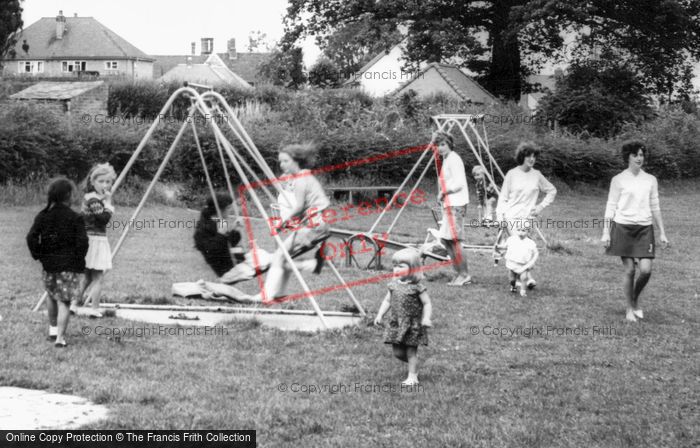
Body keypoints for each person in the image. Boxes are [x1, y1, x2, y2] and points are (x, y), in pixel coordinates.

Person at [249, 143, 331, 302]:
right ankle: (279, 294)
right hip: (317, 225)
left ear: (296, 160)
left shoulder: (301, 179)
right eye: (280, 161)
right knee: (284, 258)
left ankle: (267, 295)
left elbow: (299, 207)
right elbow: (305, 208)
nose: (282, 165)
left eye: (285, 161)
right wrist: (287, 223)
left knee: (279, 256)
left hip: (312, 227)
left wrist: (281, 224)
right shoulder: (307, 177)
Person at [601, 140, 669, 322]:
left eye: (641, 155)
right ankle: (630, 308)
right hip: (622, 227)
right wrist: (606, 232)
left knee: (645, 270)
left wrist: (662, 231)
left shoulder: (650, 180)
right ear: (628, 157)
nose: (640, 158)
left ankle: (634, 298)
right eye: (635, 155)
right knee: (630, 270)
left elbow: (655, 207)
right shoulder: (618, 180)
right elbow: (610, 207)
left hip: (644, 229)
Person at [27, 177, 89, 347]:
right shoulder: (75, 217)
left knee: (52, 295)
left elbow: (31, 237)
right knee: (65, 301)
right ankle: (60, 338)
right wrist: (78, 260)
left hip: (49, 265)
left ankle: (53, 330)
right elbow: (83, 242)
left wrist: (38, 254)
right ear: (68, 195)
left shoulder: (43, 215)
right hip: (68, 266)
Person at [374, 248, 432, 386]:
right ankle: (415, 365)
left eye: (401, 266)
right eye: (395, 266)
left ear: (412, 269)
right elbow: (387, 301)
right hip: (396, 323)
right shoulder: (393, 285)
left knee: (411, 352)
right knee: (398, 353)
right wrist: (380, 314)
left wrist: (426, 318)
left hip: (412, 324)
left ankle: (412, 377)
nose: (396, 269)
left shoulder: (417, 287)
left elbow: (427, 303)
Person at [495, 142, 556, 264]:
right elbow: (503, 197)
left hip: (528, 217)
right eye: (529, 156)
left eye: (534, 156)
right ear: (522, 156)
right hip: (511, 216)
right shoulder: (512, 174)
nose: (532, 159)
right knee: (517, 245)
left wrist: (540, 206)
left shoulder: (537, 175)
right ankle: (520, 279)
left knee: (523, 249)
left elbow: (552, 191)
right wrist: (500, 216)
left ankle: (518, 278)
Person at [74, 163, 117, 318]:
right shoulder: (93, 199)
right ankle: (94, 309)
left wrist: (105, 201)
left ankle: (73, 305)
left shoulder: (95, 198)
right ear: (93, 182)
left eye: (108, 182)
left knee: (86, 276)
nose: (105, 185)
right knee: (97, 277)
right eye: (101, 181)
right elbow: (103, 219)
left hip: (91, 239)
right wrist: (109, 203)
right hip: (93, 241)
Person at [433, 131, 471, 286]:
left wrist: (444, 192)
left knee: (454, 241)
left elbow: (459, 183)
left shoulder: (454, 159)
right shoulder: (447, 160)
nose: (440, 148)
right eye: (438, 146)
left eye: (443, 144)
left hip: (456, 203)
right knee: (446, 240)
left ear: (449, 144)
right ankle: (457, 273)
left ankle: (465, 274)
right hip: (449, 203)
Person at [194, 193, 244, 278]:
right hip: (225, 270)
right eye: (228, 208)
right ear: (219, 209)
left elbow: (228, 243)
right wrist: (221, 234)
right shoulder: (203, 228)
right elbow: (212, 252)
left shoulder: (218, 221)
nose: (230, 210)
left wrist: (235, 229)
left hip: (231, 263)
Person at [499, 220, 539, 297]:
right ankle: (513, 286)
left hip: (524, 264)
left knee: (523, 278)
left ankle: (523, 291)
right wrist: (499, 247)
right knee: (512, 279)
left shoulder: (530, 243)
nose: (520, 232)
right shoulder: (511, 239)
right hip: (512, 263)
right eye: (518, 230)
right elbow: (505, 246)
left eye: (523, 230)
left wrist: (532, 261)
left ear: (528, 231)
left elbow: (536, 252)